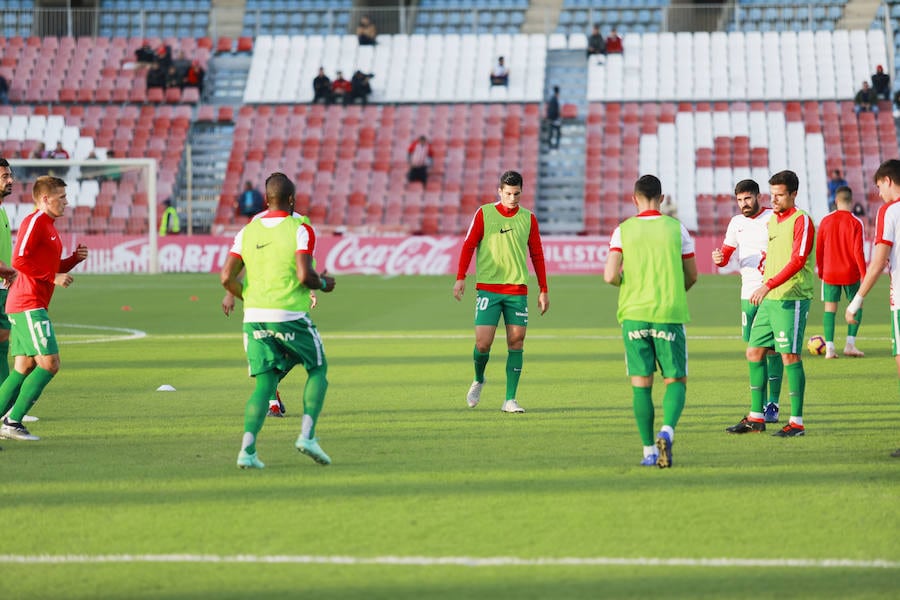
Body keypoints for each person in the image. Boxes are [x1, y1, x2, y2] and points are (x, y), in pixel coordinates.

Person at [221, 172, 336, 469]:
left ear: (265, 199)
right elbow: (304, 274)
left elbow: (226, 277)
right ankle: (307, 436)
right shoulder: (301, 227)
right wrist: (322, 284)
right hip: (289, 314)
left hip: (254, 317)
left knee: (264, 385)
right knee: (318, 368)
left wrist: (245, 295)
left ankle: (247, 451)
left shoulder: (248, 230)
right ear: (292, 200)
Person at [604, 174, 696, 468]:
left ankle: (648, 451)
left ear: (634, 199)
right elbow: (692, 275)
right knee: (675, 380)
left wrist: (630, 286)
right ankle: (666, 431)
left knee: (641, 384)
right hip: (668, 312)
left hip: (633, 313)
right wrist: (670, 290)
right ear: (663, 198)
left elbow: (609, 276)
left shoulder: (623, 230)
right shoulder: (676, 228)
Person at [727, 170, 815, 438]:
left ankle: (797, 422)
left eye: (779, 195)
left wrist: (768, 284)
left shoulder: (803, 221)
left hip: (791, 297)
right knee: (754, 352)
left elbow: (798, 260)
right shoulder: (774, 221)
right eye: (772, 194)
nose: (774, 200)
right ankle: (756, 417)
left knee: (789, 356)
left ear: (793, 194)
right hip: (769, 297)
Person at [452, 170, 549, 414]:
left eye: (516, 194)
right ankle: (479, 378)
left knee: (516, 341)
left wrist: (543, 289)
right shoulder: (485, 213)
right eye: (508, 194)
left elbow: (537, 255)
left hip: (517, 289)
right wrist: (460, 277)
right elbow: (468, 245)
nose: (512, 198)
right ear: (499, 191)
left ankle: (510, 399)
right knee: (483, 344)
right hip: (488, 289)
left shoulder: (529, 218)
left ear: (521, 192)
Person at [0, 176, 88, 441]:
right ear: (45, 198)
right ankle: (13, 422)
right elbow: (19, 260)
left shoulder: (48, 225)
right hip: (27, 302)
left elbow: (50, 265)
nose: (66, 202)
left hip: (31, 302)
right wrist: (53, 278)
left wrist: (72, 260)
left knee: (24, 367)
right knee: (50, 363)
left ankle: (9, 421)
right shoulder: (36, 221)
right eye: (61, 197)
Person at [222, 207, 318, 419]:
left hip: (289, 298)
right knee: (267, 352)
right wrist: (230, 292)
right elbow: (245, 258)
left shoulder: (301, 223)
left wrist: (309, 289)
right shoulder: (257, 222)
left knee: (297, 352)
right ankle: (272, 402)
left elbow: (304, 262)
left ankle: (271, 387)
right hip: (260, 298)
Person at [712, 179, 783, 424]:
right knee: (755, 352)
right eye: (740, 200)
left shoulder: (773, 218)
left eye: (748, 198)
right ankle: (759, 406)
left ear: (758, 197)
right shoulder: (736, 223)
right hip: (748, 296)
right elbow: (725, 257)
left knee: (773, 351)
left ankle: (773, 404)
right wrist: (719, 258)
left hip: (772, 293)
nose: (744, 204)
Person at [845, 160, 900, 457]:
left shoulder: (889, 212)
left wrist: (857, 299)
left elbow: (879, 261)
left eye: (879, 186)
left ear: (888, 180)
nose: (878, 193)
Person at [816, 186, 867, 359]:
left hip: (830, 272)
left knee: (830, 309)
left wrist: (821, 270)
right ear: (851, 202)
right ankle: (850, 345)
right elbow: (858, 252)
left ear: (836, 201)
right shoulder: (856, 222)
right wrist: (864, 275)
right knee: (856, 305)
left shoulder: (825, 220)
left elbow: (819, 249)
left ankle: (829, 348)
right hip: (850, 272)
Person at [546, 86, 561, 150]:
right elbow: (552, 110)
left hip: (553, 119)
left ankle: (553, 145)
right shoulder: (553, 100)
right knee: (553, 132)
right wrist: (552, 119)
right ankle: (552, 145)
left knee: (554, 132)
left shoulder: (553, 99)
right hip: (553, 119)